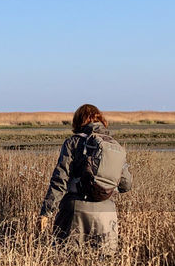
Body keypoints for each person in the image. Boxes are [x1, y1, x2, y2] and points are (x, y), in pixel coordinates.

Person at [38, 104, 133, 253]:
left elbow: (60, 181)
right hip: (106, 215)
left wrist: (46, 212)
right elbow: (126, 185)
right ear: (101, 120)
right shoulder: (115, 146)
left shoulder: (73, 142)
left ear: (78, 121)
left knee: (65, 260)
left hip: (75, 210)